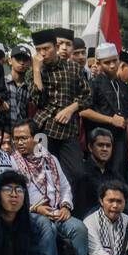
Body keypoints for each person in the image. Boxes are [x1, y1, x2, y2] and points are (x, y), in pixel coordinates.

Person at [6, 119, 88, 255]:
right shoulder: (12, 162)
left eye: (24, 138)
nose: (19, 142)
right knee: (46, 226)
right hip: (30, 212)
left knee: (79, 228)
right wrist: (36, 208)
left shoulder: (50, 159)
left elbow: (65, 186)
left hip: (57, 211)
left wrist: (65, 206)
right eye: (16, 139)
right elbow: (12, 196)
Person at [30, 28, 90, 181]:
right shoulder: (37, 71)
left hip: (68, 130)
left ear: (56, 48)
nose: (43, 53)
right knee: (40, 172)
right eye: (39, 50)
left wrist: (71, 108)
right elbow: (38, 101)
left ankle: (68, 204)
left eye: (46, 48)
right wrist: (36, 70)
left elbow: (88, 96)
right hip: (42, 128)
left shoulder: (73, 68)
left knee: (77, 174)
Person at [80, 45, 128, 180]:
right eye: (107, 62)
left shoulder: (124, 87)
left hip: (120, 142)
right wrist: (110, 120)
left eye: (114, 61)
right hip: (100, 140)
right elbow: (83, 111)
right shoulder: (93, 84)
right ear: (99, 64)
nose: (112, 65)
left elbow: (127, 118)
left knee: (118, 177)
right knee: (98, 178)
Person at [5, 46, 32, 130]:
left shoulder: (29, 88)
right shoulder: (2, 83)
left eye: (25, 60)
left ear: (30, 63)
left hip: (21, 134)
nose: (21, 62)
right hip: (3, 132)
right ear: (10, 61)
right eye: (18, 59)